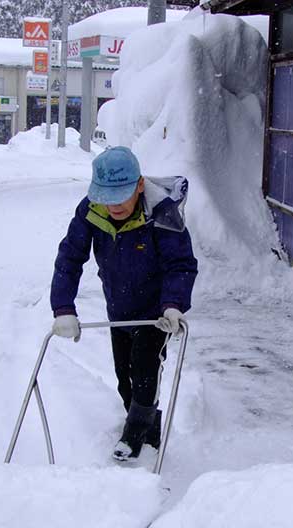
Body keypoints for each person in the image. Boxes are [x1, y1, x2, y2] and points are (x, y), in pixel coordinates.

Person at [50, 146, 198, 461]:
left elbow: (181, 264)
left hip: (156, 314)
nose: (113, 205)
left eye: (121, 196)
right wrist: (63, 308)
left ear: (140, 185)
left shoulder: (162, 212)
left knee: (145, 368)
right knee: (124, 377)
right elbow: (70, 259)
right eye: (106, 196)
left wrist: (174, 304)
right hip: (118, 309)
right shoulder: (91, 210)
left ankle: (134, 437)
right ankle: (148, 423)